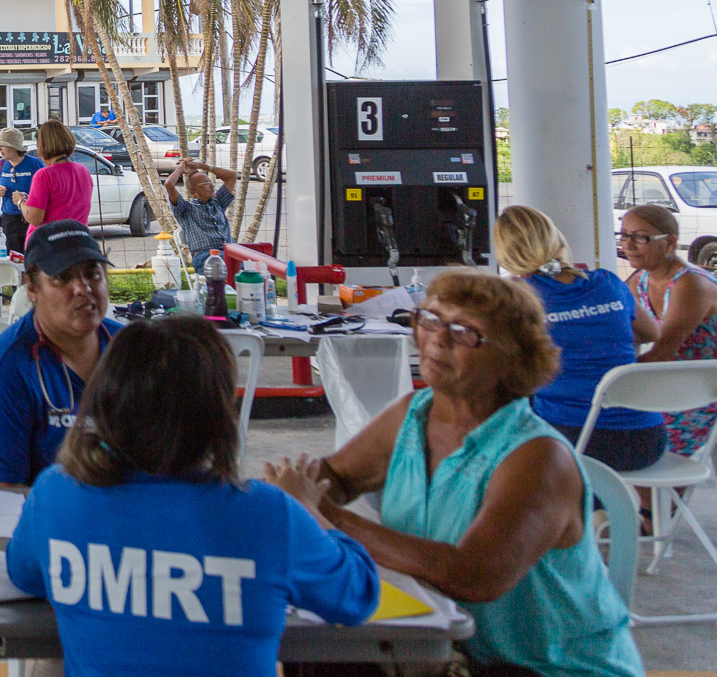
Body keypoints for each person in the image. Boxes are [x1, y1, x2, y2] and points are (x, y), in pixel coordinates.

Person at [269, 270, 642, 677]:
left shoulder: (537, 456)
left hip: (547, 668)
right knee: (320, 651)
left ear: (513, 358)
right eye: (429, 319)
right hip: (450, 647)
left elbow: (475, 576)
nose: (438, 338)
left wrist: (326, 516)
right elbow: (332, 480)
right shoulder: (414, 413)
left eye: (464, 332)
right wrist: (277, 494)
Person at [8, 316, 378, 677]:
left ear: (106, 400)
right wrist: (308, 506)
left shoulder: (55, 494)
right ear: (217, 418)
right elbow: (358, 596)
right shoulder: (270, 514)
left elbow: (25, 574)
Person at [492, 205, 662, 471]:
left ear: (505, 255)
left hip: (574, 441)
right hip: (647, 439)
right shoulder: (608, 281)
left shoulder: (518, 298)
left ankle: (581, 510)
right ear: (556, 238)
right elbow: (651, 333)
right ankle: (610, 510)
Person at [0, 221, 120, 489]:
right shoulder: (3, 374)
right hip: (38, 523)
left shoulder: (130, 350)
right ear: (33, 289)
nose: (83, 288)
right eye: (63, 277)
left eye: (93, 273)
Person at [620, 202, 717, 456]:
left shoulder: (690, 283)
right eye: (624, 235)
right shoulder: (640, 280)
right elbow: (624, 333)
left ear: (670, 242)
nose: (628, 244)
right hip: (678, 383)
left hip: (704, 390)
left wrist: (611, 379)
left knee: (639, 439)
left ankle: (667, 494)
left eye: (641, 237)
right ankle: (651, 497)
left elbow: (664, 352)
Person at [21, 121, 91, 238]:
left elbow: (35, 218)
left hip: (48, 244)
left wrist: (20, 202)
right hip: (79, 240)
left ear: (42, 146)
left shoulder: (44, 175)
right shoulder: (83, 170)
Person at [164, 158, 237, 269]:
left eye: (211, 183)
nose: (212, 186)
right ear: (193, 189)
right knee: (239, 268)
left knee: (259, 263)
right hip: (206, 256)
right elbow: (169, 184)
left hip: (231, 251)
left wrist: (202, 166)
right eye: (207, 183)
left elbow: (231, 176)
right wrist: (180, 168)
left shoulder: (217, 203)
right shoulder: (186, 209)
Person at [0, 126, 43, 251]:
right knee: (11, 256)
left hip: (30, 216)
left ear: (14, 147)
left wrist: (25, 198)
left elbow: (46, 190)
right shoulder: (0, 164)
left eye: (2, 145)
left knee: (32, 254)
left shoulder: (35, 164)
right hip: (9, 219)